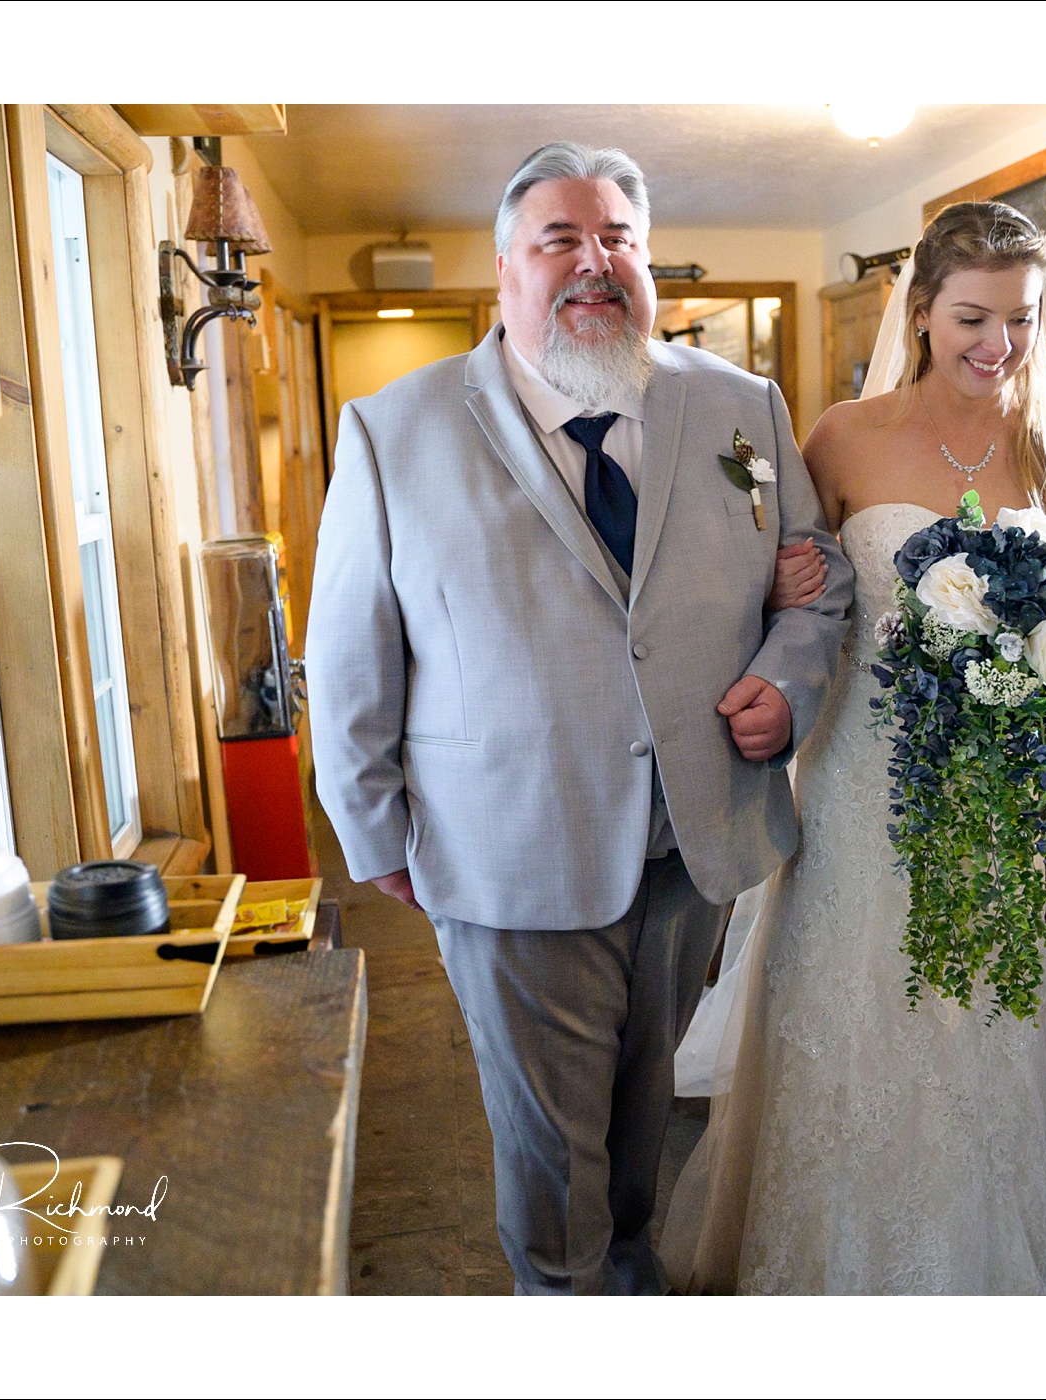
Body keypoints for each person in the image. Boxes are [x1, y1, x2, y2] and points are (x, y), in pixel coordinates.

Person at [305, 141, 854, 1295]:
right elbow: (348, 656)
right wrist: (375, 834)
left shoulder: (737, 406)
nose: (592, 263)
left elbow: (817, 577)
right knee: (553, 1165)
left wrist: (787, 679)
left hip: (694, 840)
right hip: (507, 846)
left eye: (617, 240)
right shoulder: (390, 430)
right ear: (503, 269)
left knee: (644, 1125)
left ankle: (631, 1286)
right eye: (559, 239)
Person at [661, 201, 1046, 1294]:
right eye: (970, 316)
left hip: (993, 807)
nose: (995, 344)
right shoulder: (841, 435)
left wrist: (1044, 693)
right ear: (918, 310)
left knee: (975, 1038)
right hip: (863, 788)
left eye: (1019, 318)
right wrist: (775, 583)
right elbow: (795, 595)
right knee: (846, 1021)